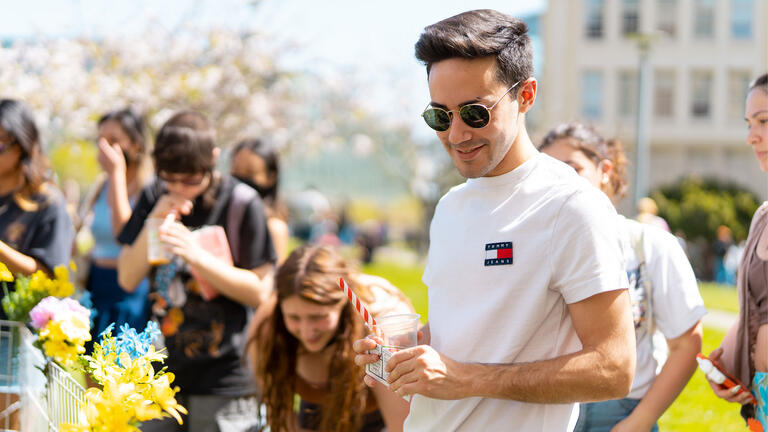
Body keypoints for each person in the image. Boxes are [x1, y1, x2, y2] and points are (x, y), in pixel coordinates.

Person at [354, 10, 635, 431]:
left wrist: (466, 379)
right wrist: (405, 353)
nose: (456, 134)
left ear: (525, 96)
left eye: (476, 113)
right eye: (439, 116)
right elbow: (467, 333)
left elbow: (614, 368)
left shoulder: (572, 207)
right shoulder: (449, 207)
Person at [540, 122, 706, 432]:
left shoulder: (650, 244)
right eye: (547, 172)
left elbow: (687, 343)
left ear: (604, 170)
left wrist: (638, 423)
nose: (559, 182)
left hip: (621, 415)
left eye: (572, 168)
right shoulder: (531, 250)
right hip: (545, 414)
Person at [117, 111, 276, 431]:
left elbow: (260, 290)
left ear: (213, 160)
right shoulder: (153, 195)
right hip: (159, 375)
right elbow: (126, 277)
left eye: (190, 179)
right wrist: (154, 224)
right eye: (169, 178)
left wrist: (195, 254)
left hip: (224, 380)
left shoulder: (242, 203)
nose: (179, 188)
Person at [249, 244, 413, 432]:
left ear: (343, 304)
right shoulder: (268, 326)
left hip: (380, 420)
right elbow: (283, 421)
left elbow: (401, 426)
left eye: (318, 317)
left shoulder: (380, 326)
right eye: (294, 318)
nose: (307, 332)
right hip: (314, 416)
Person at [0, 98, 74, 430]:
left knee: (11, 421)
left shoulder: (47, 203)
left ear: (23, 145)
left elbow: (47, 273)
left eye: (0, 143)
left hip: (18, 338)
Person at [706, 73, 768, 429]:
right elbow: (754, 307)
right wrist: (726, 364)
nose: (751, 137)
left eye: (763, 121)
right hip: (760, 398)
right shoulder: (762, 217)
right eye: (749, 123)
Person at [77, 109, 152, 347]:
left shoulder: (148, 191)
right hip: (97, 285)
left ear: (136, 145)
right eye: (100, 140)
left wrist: (117, 174)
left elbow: (125, 235)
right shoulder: (100, 187)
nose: (104, 148)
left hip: (130, 292)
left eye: (114, 140)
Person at [230, 138, 289, 264]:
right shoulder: (225, 213)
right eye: (235, 170)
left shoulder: (273, 228)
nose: (239, 180)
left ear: (271, 177)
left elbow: (274, 279)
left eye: (250, 173)